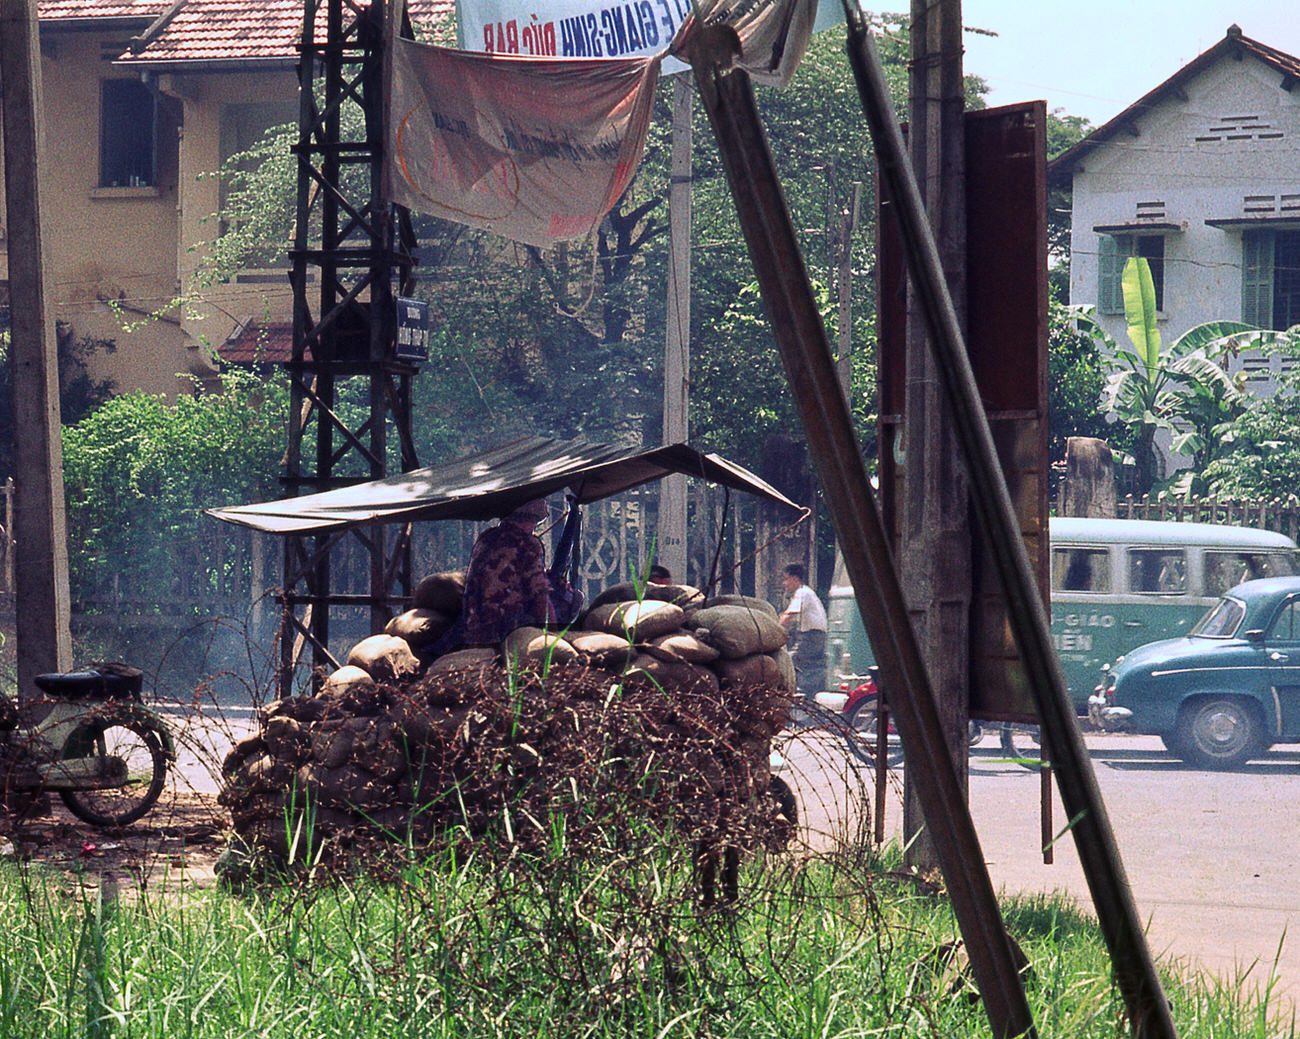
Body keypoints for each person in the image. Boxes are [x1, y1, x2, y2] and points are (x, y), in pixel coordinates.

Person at [436, 497, 582, 651]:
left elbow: (505, 574)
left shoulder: (486, 538)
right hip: (507, 630)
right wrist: (554, 638)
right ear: (532, 520)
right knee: (573, 599)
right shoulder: (527, 543)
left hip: (473, 629)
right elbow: (541, 599)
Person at [777, 563, 827, 698]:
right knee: (806, 667)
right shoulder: (806, 592)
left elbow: (789, 615)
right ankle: (805, 692)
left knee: (788, 660)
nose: (784, 583)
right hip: (813, 636)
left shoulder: (802, 592)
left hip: (812, 636)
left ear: (794, 578)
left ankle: (797, 694)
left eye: (786, 579)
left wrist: (774, 630)